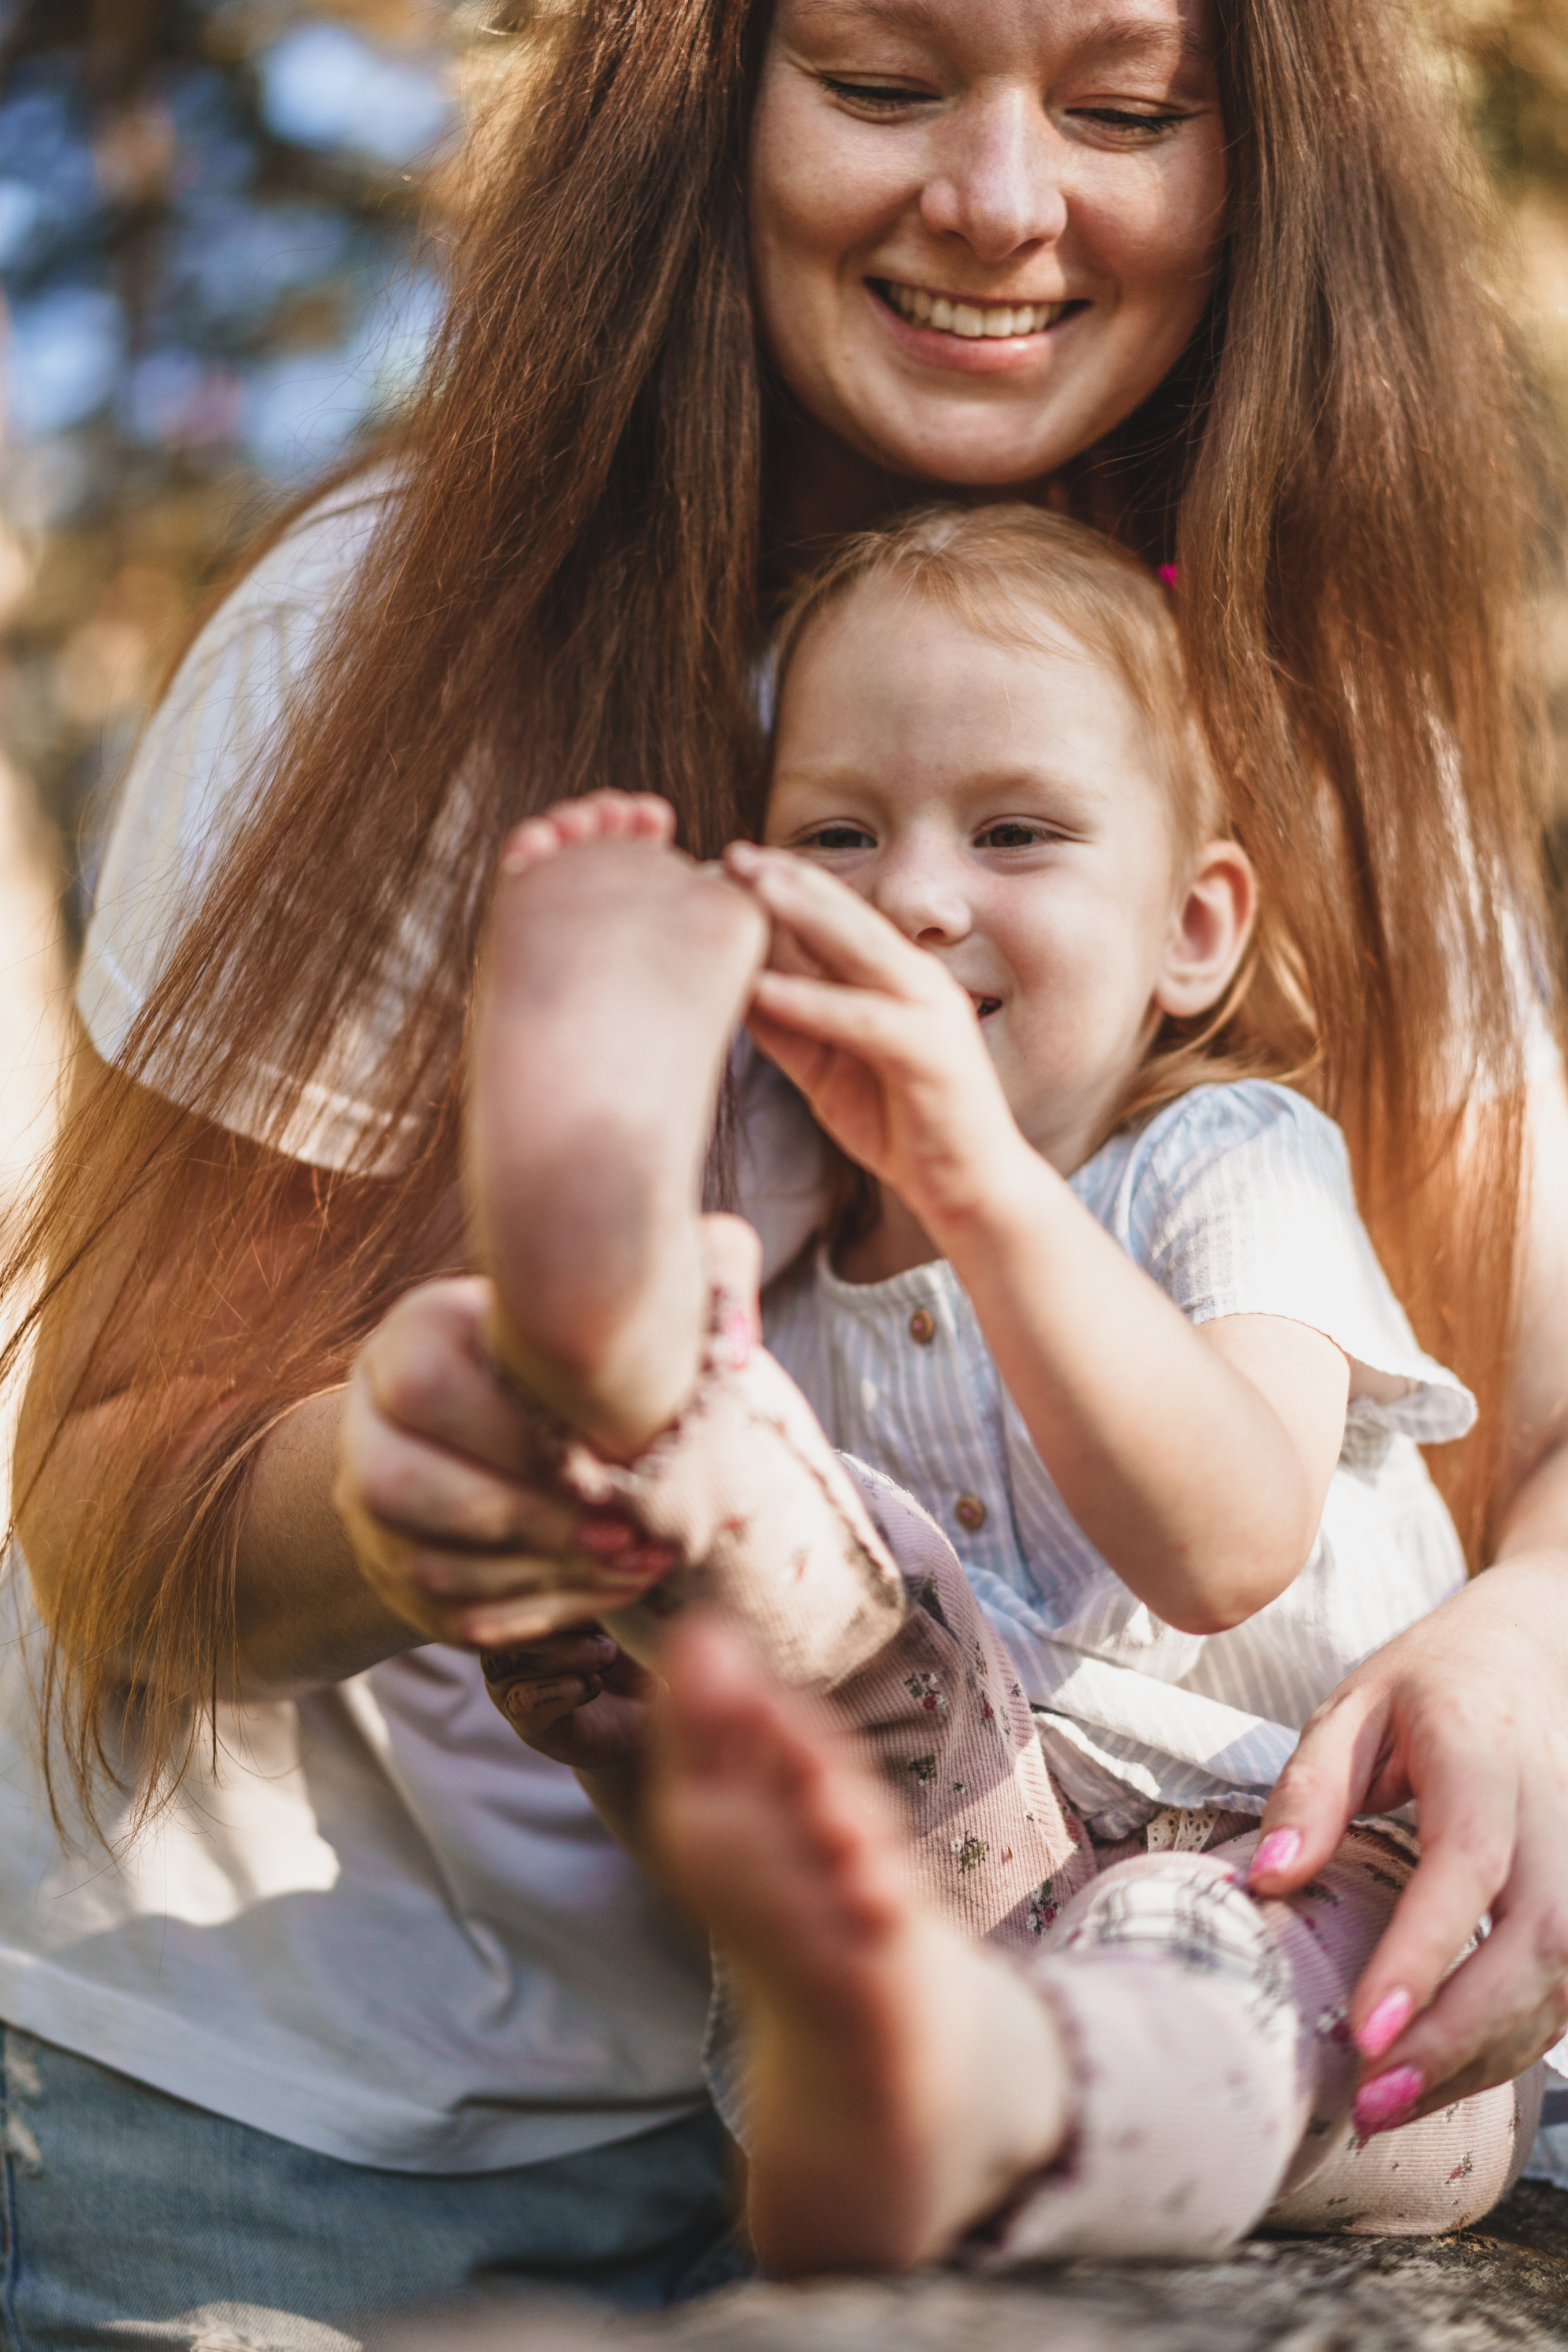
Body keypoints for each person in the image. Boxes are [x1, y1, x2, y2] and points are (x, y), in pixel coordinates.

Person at [1, 0, 1566, 2337]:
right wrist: (422, 1492)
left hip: (963, 2054)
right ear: (697, 113)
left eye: (1128, 108)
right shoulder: (387, 631)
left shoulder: (1313, 686)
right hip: (340, 2145)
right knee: (767, 1488)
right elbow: (118, 1503)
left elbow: (1538, 1418)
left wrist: (1537, 1634)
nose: (1008, 202)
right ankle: (607, 1377)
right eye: (883, 81)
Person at [472, 505, 1542, 2271]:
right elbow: (809, 1728)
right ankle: (604, 1248)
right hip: (947, 1903)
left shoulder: (1227, 1161)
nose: (913, 895)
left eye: (1017, 831)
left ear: (1190, 931)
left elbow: (1227, 1543)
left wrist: (979, 1183)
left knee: (1208, 1966)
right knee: (774, 1490)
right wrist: (635, 1708)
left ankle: (1018, 2101)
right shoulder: (799, 1286)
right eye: (836, 835)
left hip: (1319, 1905)